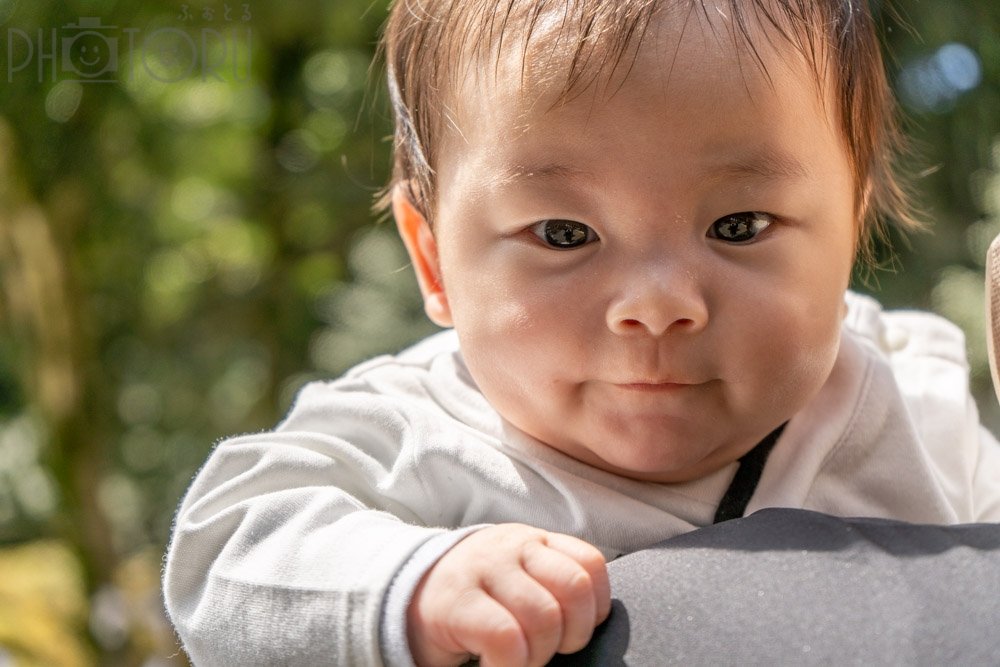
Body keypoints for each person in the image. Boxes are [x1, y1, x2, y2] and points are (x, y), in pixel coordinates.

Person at [162, 1, 1000, 665]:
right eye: (564, 234)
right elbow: (223, 552)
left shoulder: (917, 404)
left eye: (740, 224)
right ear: (435, 264)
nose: (660, 303)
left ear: (850, 229)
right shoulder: (419, 430)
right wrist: (411, 585)